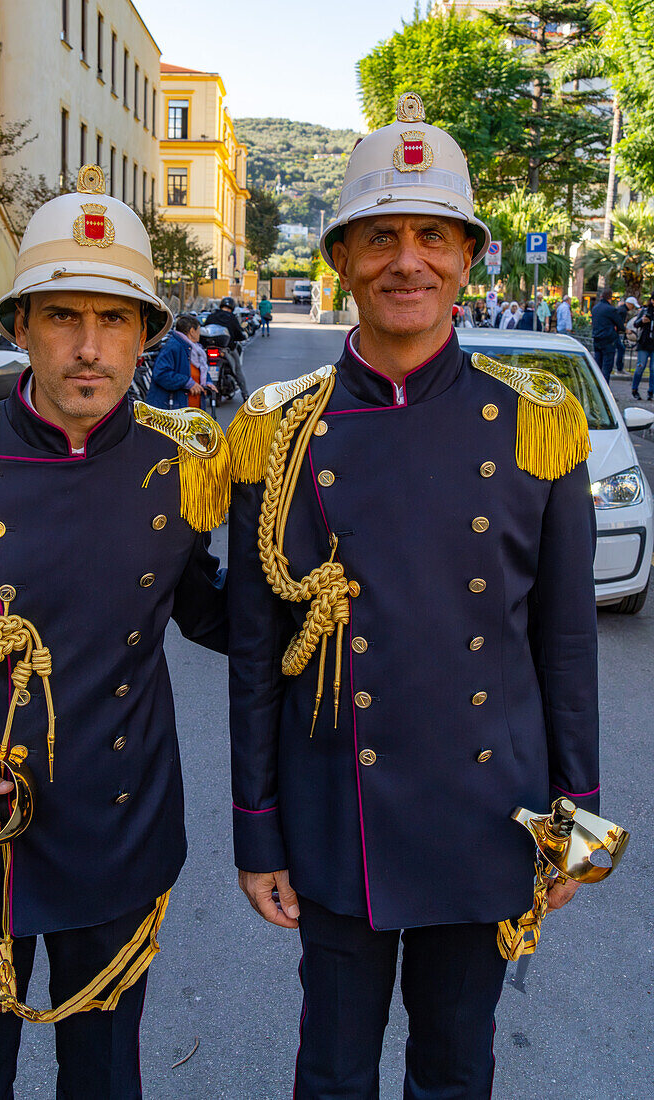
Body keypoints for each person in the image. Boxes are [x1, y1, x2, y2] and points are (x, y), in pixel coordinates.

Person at [227, 91, 598, 1100]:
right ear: (341, 258)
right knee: (333, 1072)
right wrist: (255, 826)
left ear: (466, 259)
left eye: (432, 235)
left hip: (490, 812)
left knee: (454, 1067)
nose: (408, 260)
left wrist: (580, 814)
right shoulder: (278, 432)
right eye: (381, 236)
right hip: (334, 814)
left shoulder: (534, 425)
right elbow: (259, 654)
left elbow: (563, 643)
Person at [0, 165, 229, 1099]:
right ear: (20, 327)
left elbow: (207, 607)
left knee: (104, 1081)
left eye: (114, 319)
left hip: (119, 828)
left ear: (147, 336)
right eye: (63, 316)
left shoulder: (179, 460)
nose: (88, 347)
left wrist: (356, 599)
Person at [146, 313, 212, 409]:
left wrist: (208, 382)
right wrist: (187, 383)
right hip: (174, 411)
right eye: (198, 330)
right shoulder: (173, 347)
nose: (199, 334)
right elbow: (161, 374)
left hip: (191, 411)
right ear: (192, 331)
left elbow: (200, 370)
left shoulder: (194, 349)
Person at [204, 296, 249, 400]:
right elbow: (239, 334)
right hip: (227, 349)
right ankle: (245, 395)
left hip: (209, 348)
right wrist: (242, 336)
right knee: (237, 370)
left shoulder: (212, 315)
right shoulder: (232, 317)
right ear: (232, 307)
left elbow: (205, 328)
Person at [592, 289, 623, 383]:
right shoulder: (611, 309)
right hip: (608, 340)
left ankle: (597, 389)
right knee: (606, 368)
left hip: (597, 339)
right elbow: (620, 325)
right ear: (610, 297)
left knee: (597, 367)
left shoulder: (595, 308)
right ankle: (605, 393)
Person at [631, 293, 654, 400]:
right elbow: (636, 324)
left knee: (653, 369)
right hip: (644, 344)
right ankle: (634, 389)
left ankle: (651, 391)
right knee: (640, 367)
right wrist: (642, 321)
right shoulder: (645, 310)